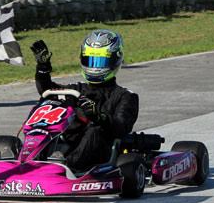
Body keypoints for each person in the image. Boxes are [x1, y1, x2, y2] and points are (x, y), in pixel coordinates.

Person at [30, 29, 139, 171]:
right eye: (91, 60)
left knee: (95, 130)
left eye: (100, 62)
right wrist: (42, 69)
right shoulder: (76, 90)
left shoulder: (125, 96)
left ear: (115, 60)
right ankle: (30, 160)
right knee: (46, 120)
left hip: (101, 152)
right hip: (67, 146)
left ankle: (65, 167)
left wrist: (99, 117)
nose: (95, 67)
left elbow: (121, 127)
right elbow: (47, 91)